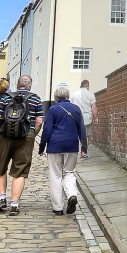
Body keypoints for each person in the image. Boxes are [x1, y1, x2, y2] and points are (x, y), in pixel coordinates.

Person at [0, 74, 43, 216]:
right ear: (29, 85)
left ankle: (1, 198)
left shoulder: (6, 97)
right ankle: (14, 204)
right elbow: (39, 121)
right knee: (20, 170)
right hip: (26, 136)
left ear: (17, 84)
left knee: (1, 167)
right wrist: (32, 134)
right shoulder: (35, 99)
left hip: (5, 135)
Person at [39, 85, 87, 216]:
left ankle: (58, 207)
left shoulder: (53, 109)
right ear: (68, 96)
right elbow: (82, 129)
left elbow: (47, 129)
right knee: (69, 173)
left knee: (55, 175)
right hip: (71, 145)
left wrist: (42, 146)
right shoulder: (76, 109)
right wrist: (84, 147)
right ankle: (72, 195)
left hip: (54, 145)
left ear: (56, 97)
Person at [69, 79, 98, 144]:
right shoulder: (90, 94)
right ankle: (84, 151)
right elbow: (93, 107)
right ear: (88, 86)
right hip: (87, 118)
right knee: (87, 135)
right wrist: (95, 117)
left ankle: (77, 150)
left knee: (76, 134)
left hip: (75, 117)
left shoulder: (73, 94)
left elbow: (70, 106)